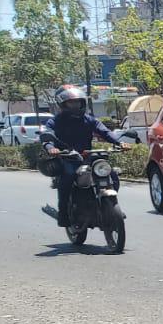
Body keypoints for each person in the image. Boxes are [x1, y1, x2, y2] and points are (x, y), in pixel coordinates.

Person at [42, 85, 119, 230]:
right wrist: (51, 147)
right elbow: (47, 135)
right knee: (69, 176)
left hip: (87, 156)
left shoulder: (89, 119)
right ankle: (64, 214)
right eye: (71, 103)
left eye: (77, 102)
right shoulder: (55, 121)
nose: (75, 105)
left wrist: (119, 142)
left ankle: (110, 205)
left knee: (111, 174)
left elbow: (105, 131)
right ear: (63, 104)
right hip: (67, 157)